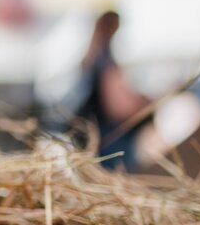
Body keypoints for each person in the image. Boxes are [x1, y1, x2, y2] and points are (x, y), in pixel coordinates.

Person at [58, 11, 151, 171]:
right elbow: (117, 107)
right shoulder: (104, 58)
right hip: (105, 138)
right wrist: (144, 103)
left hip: (89, 132)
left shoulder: (92, 55)